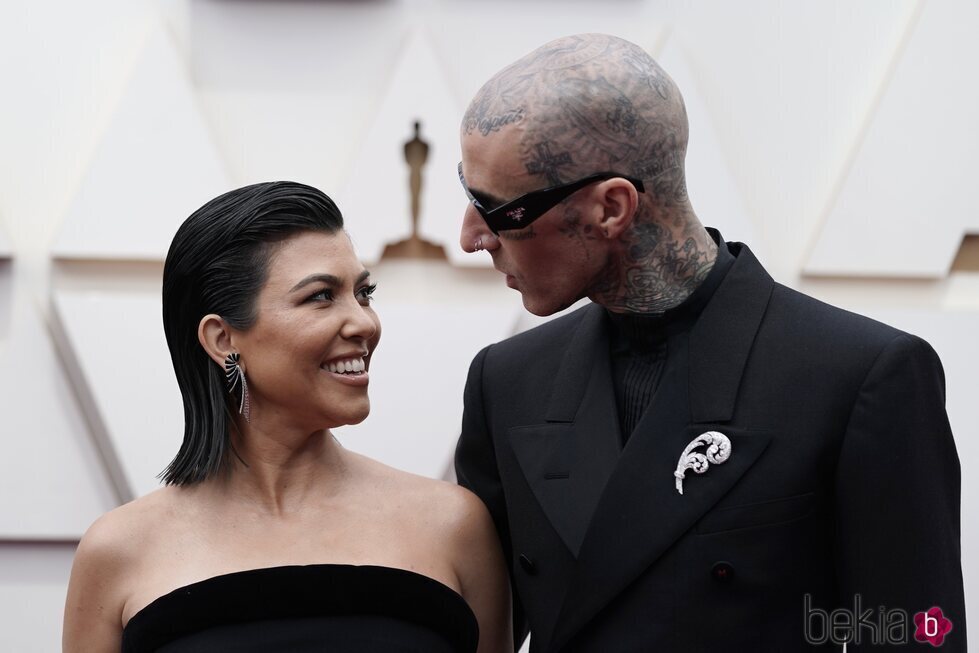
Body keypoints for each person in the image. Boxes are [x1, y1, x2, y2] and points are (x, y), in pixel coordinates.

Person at [454, 33, 965, 652]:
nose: (470, 237)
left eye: (500, 211)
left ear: (611, 208)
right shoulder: (507, 381)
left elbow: (910, 634)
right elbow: (471, 624)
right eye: (466, 191)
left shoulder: (860, 377)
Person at [63, 182, 513, 652]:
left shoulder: (453, 525)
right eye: (320, 296)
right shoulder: (118, 551)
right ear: (222, 340)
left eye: (364, 293)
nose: (364, 323)